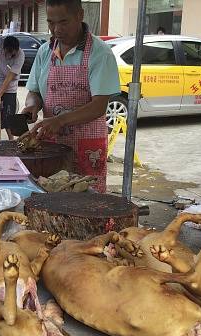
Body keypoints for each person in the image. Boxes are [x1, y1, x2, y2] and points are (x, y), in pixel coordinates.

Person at [22, 0, 120, 193]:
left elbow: (99, 106)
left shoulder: (100, 54)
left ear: (80, 16)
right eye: (51, 23)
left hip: (87, 147)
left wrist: (60, 120)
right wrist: (32, 105)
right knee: (51, 197)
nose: (56, 29)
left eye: (63, 22)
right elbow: (34, 91)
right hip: (51, 145)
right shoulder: (45, 52)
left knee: (86, 202)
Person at [0, 36, 24, 140]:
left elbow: (9, 78)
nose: (11, 54)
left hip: (10, 89)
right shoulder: (2, 50)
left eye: (13, 52)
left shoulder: (20, 55)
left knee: (8, 117)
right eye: (9, 51)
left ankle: (11, 140)